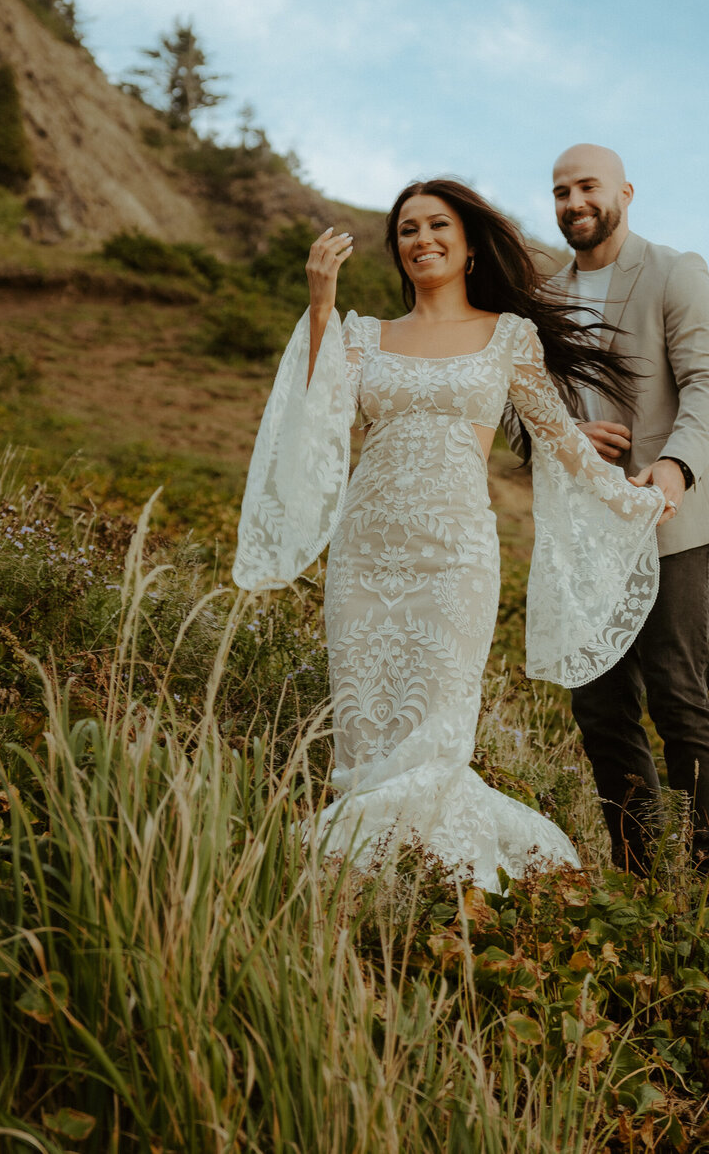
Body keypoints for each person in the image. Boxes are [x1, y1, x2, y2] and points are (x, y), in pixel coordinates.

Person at [232, 178, 669, 888]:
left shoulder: (508, 336)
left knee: (435, 739)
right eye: (407, 229)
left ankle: (438, 884)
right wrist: (320, 305)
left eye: (438, 226)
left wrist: (631, 499)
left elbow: (557, 436)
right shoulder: (363, 334)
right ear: (396, 248)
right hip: (366, 558)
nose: (422, 239)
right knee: (367, 740)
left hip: (455, 561)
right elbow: (315, 418)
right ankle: (367, 882)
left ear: (468, 247)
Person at [508, 143, 709, 881]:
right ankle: (640, 879)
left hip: (668, 512)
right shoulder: (541, 298)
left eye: (587, 187)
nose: (573, 202)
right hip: (584, 531)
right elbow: (519, 412)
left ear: (625, 192)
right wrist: (562, 432)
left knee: (679, 695)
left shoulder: (676, 272)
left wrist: (674, 467)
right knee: (601, 711)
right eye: (559, 192)